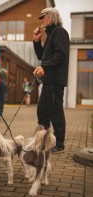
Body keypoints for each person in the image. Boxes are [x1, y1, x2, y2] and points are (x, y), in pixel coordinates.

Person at [33, 7, 70, 153]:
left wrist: (45, 67)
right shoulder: (50, 35)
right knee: (42, 111)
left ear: (51, 17)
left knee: (55, 111)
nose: (41, 20)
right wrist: (37, 41)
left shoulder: (59, 32)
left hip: (55, 80)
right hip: (48, 80)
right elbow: (42, 56)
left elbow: (60, 55)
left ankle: (59, 143)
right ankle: (44, 140)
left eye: (43, 17)